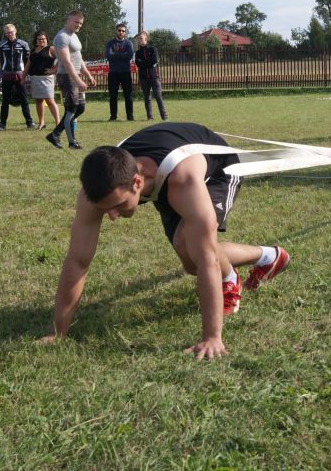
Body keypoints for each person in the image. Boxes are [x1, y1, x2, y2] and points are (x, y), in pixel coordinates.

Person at [37, 122, 291, 360]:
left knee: (195, 251)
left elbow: (208, 260)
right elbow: (78, 261)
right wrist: (57, 332)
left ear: (137, 182)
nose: (112, 216)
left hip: (216, 168)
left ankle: (235, 276)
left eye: (117, 206)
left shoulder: (184, 182)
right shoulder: (96, 192)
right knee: (190, 262)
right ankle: (270, 256)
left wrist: (212, 338)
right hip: (162, 171)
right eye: (106, 210)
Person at [47, 10, 95, 150]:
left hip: (75, 75)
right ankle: (72, 142)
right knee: (71, 108)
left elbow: (78, 59)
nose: (79, 25)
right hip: (67, 76)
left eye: (81, 23)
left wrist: (88, 75)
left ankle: (55, 134)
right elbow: (67, 62)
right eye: (76, 22)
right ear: (68, 20)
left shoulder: (74, 36)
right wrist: (78, 81)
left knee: (80, 108)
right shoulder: (62, 37)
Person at [0, 23, 35, 129]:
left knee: (24, 99)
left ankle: (29, 122)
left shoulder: (23, 44)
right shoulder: (1, 45)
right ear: (5, 33)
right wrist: (1, 71)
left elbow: (28, 61)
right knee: (5, 100)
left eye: (12, 32)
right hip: (6, 75)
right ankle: (2, 124)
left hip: (19, 75)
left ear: (15, 31)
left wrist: (26, 73)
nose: (10, 34)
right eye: (8, 32)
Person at [25, 30, 59, 130]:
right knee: (38, 101)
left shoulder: (51, 49)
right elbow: (28, 65)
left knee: (50, 100)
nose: (41, 41)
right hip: (34, 78)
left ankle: (58, 123)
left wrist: (53, 69)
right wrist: (23, 77)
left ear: (46, 39)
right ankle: (41, 123)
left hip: (46, 79)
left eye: (43, 39)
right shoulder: (32, 51)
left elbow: (62, 59)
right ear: (36, 40)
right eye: (39, 39)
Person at [134, 31, 168, 121]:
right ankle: (150, 117)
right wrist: (147, 62)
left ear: (146, 39)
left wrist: (143, 62)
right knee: (147, 98)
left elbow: (155, 60)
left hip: (154, 77)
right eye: (138, 39)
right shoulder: (137, 53)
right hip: (143, 78)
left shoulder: (153, 49)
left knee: (158, 96)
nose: (139, 40)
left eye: (140, 38)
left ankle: (164, 117)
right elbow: (138, 64)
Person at [105, 23, 135, 121]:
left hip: (126, 72)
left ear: (125, 33)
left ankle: (130, 116)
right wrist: (122, 54)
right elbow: (109, 56)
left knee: (128, 96)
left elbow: (129, 56)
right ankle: (113, 116)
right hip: (113, 73)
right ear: (116, 31)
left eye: (123, 31)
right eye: (119, 30)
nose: (121, 32)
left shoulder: (129, 43)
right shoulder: (110, 43)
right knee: (113, 96)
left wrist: (116, 54)